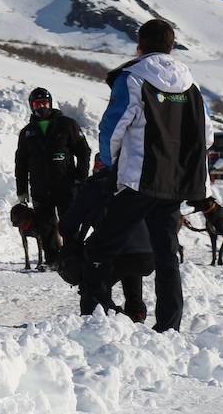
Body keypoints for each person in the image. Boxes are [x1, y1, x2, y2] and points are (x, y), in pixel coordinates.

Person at [86, 19, 213, 333]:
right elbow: (207, 135)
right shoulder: (192, 87)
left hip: (137, 181)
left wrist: (108, 162)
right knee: (166, 254)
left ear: (139, 45)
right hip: (175, 185)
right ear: (171, 47)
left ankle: (95, 317)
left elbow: (113, 128)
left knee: (100, 248)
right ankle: (169, 325)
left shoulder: (132, 79)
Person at [60, 170, 151, 323]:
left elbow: (68, 225)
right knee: (131, 262)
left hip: (115, 252)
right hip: (147, 254)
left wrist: (72, 245)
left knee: (93, 280)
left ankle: (95, 321)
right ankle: (136, 313)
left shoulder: (94, 188)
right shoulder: (134, 183)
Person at [14, 87, 91, 265]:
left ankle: (73, 258)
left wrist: (81, 178)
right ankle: (52, 261)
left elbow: (84, 151)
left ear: (50, 103)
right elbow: (21, 163)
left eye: (45, 103)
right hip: (40, 188)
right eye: (37, 104)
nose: (42, 107)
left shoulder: (67, 124)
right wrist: (22, 190)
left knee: (69, 223)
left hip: (66, 186)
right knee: (45, 226)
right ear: (31, 106)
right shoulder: (27, 132)